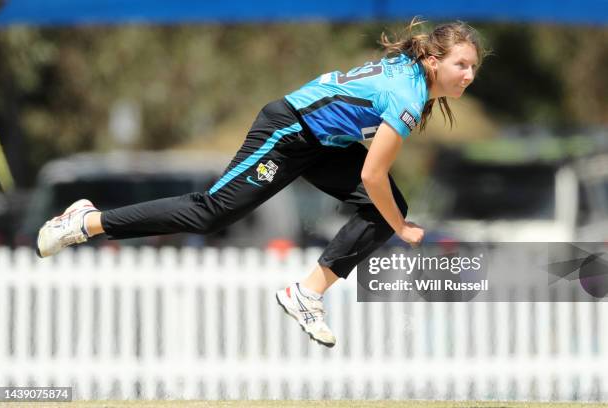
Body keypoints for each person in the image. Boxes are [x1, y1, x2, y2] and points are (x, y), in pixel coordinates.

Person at [36, 20, 486, 348]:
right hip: (287, 133)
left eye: (474, 68)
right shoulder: (407, 96)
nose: (469, 75)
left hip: (324, 142)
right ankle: (86, 222)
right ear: (432, 59)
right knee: (210, 212)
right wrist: (403, 229)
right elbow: (372, 174)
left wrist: (394, 217)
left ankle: (305, 293)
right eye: (462, 64)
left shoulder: (412, 79)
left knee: (386, 207)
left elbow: (368, 162)